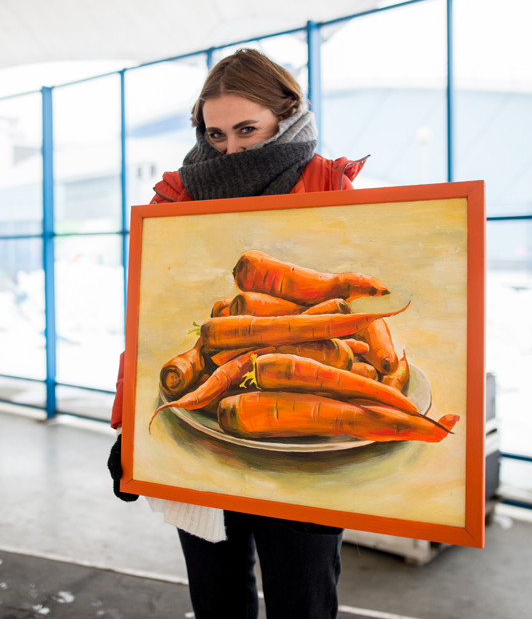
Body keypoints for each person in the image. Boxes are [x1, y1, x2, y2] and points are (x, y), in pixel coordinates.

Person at [107, 48, 368, 619]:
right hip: (200, 427)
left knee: (302, 599)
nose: (230, 149)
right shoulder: (175, 199)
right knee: (217, 598)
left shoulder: (337, 193)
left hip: (301, 427)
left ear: (288, 114)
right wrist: (133, 428)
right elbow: (150, 323)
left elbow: (360, 315)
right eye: (215, 132)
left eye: (247, 129)